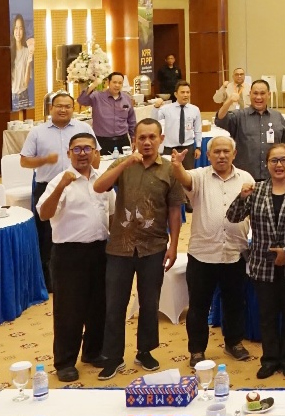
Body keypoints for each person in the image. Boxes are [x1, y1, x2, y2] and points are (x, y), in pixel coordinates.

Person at [93, 118, 184, 380]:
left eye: (152, 137)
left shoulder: (170, 170)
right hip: (119, 247)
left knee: (149, 302)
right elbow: (99, 187)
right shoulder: (124, 164)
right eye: (141, 137)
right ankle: (113, 357)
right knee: (115, 304)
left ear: (161, 139)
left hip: (153, 246)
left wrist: (174, 245)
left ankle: (145, 351)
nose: (146, 142)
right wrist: (125, 163)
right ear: (134, 140)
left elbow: (174, 211)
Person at [227, 143, 285, 379]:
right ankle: (269, 360)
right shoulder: (255, 190)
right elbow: (233, 217)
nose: (279, 165)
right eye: (274, 160)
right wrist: (241, 197)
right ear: (266, 164)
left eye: (284, 160)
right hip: (262, 265)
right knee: (266, 316)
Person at [169, 136, 253, 368]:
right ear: (208, 155)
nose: (222, 156)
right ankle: (197, 350)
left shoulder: (246, 178)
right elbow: (184, 178)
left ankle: (234, 343)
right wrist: (177, 166)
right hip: (203, 253)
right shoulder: (199, 176)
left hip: (235, 252)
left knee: (235, 302)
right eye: (216, 152)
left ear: (234, 154)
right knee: (198, 306)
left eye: (226, 151)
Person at [36, 133, 109, 382]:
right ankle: (65, 362)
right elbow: (44, 214)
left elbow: (112, 212)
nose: (82, 154)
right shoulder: (59, 180)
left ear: (95, 152)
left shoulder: (102, 180)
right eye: (76, 149)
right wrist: (61, 187)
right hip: (69, 255)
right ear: (68, 154)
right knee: (69, 311)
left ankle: (93, 352)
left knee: (99, 305)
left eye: (87, 148)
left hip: (100, 250)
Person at [20, 92, 95, 290]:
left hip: (80, 185)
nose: (63, 110)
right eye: (59, 106)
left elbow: (96, 156)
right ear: (50, 108)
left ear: (73, 109)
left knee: (78, 229)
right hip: (48, 187)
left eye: (67, 106)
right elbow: (24, 161)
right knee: (46, 235)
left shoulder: (84, 128)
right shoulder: (37, 132)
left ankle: (80, 274)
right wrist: (45, 160)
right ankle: (49, 282)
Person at [215, 79, 285, 181]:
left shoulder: (277, 116)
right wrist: (229, 101)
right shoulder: (239, 116)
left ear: (268, 95)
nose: (258, 97)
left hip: (273, 177)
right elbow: (220, 120)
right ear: (250, 94)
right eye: (255, 93)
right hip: (245, 178)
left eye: (262, 93)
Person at [78, 72, 136, 154]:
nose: (117, 85)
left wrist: (134, 139)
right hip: (102, 141)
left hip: (123, 141)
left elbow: (131, 120)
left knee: (125, 161)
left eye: (120, 83)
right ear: (108, 82)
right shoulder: (97, 96)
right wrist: (93, 85)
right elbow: (81, 100)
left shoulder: (127, 98)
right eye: (114, 82)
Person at [154, 81, 201, 169]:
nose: (185, 95)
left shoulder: (195, 110)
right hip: (170, 149)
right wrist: (156, 107)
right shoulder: (166, 109)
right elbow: (154, 121)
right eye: (182, 92)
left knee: (188, 174)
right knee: (168, 173)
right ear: (176, 94)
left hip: (188, 148)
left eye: (188, 92)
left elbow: (198, 130)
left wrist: (198, 147)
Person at [11, 13, 34, 107]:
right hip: (10, 96)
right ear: (13, 30)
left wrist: (28, 63)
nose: (18, 31)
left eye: (20, 28)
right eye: (16, 28)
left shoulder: (27, 51)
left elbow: (25, 83)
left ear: (23, 30)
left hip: (23, 95)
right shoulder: (9, 52)